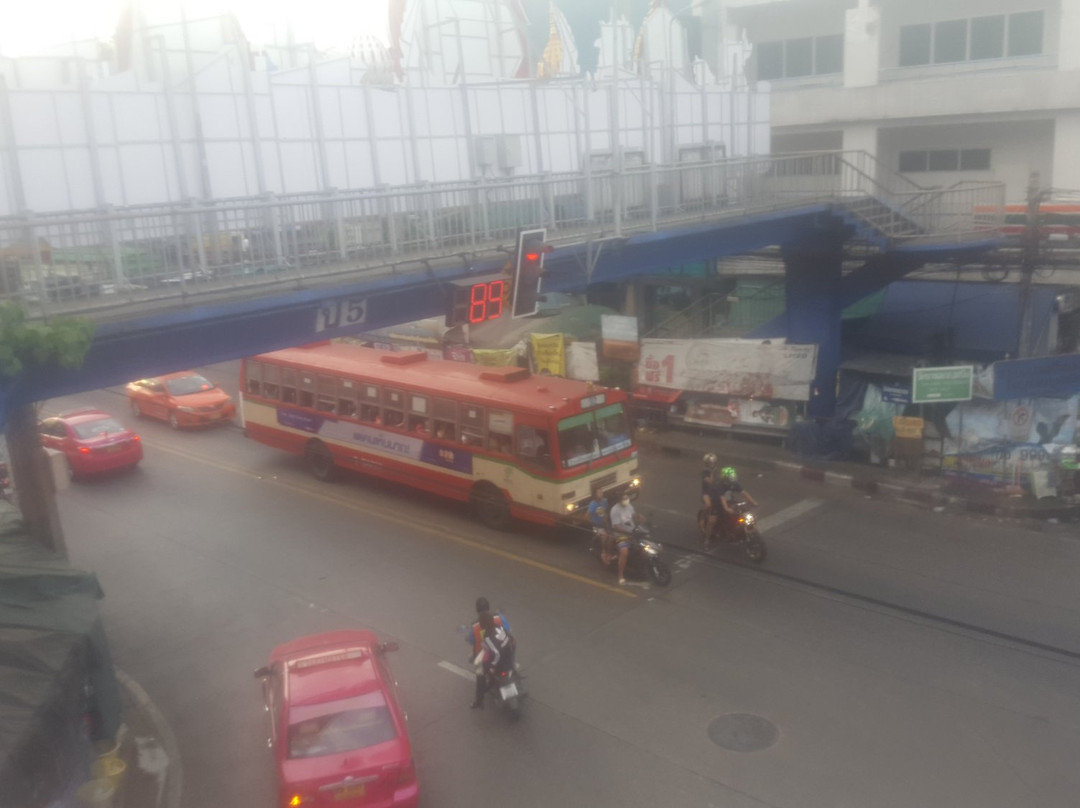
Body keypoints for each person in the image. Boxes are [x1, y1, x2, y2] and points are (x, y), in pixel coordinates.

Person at [471, 611, 515, 709]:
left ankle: (479, 701)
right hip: (509, 656)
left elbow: (496, 654)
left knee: (480, 671)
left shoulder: (487, 638)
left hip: (501, 662)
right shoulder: (499, 627)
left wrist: (492, 667)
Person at [715, 466, 759, 540]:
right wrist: (726, 508)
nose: (732, 477)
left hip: (730, 500)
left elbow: (744, 493)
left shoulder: (734, 484)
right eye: (730, 476)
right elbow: (722, 498)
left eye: (733, 475)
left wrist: (753, 502)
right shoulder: (721, 485)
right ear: (726, 477)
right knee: (723, 516)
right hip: (719, 502)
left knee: (742, 511)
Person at [700, 453, 720, 545]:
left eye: (713, 463)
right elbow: (710, 482)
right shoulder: (705, 472)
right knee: (709, 505)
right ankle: (706, 539)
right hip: (706, 493)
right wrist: (712, 472)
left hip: (716, 493)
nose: (712, 465)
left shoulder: (718, 471)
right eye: (710, 463)